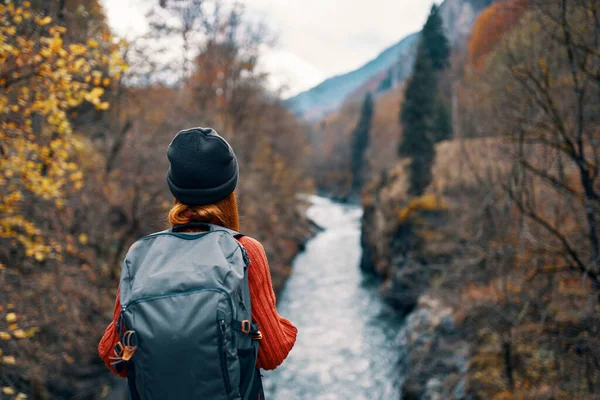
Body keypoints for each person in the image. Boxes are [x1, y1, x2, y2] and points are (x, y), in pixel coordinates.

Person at [98, 127, 297, 398]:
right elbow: (272, 352)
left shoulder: (141, 254)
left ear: (174, 187)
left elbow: (114, 355)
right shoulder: (244, 250)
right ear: (230, 190)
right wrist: (276, 327)